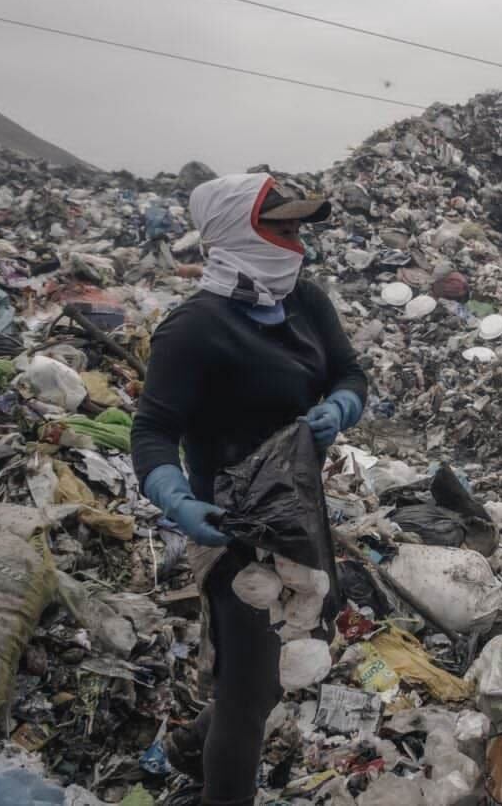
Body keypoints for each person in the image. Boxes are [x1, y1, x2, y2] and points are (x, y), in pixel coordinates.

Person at [130, 173, 366, 806]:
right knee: (249, 691)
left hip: (298, 515)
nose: (299, 246)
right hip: (232, 526)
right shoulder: (195, 328)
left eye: (298, 231)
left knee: (291, 656)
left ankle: (186, 747)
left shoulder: (304, 301)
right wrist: (178, 501)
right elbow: (152, 430)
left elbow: (348, 370)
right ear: (237, 231)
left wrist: (342, 405)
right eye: (282, 230)